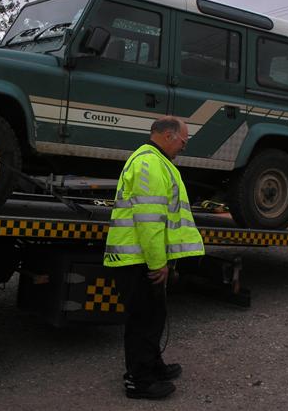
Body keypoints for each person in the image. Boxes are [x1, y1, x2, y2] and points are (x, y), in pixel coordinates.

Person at [104, 116, 205, 400]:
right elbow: (149, 221)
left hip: (142, 259)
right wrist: (157, 263)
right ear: (169, 135)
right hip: (137, 260)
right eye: (184, 140)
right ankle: (139, 380)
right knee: (143, 321)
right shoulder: (149, 164)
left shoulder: (158, 162)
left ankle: (152, 365)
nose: (184, 146)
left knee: (154, 316)